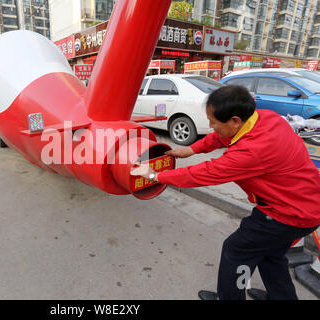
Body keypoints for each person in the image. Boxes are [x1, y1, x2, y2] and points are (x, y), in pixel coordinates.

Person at [131, 85, 320, 300]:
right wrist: (192, 149)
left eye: (214, 122)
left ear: (235, 120)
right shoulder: (265, 118)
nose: (211, 126)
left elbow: (202, 173)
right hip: (309, 205)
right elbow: (221, 137)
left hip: (286, 215)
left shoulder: (251, 152)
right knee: (272, 255)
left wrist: (155, 176)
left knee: (236, 251)